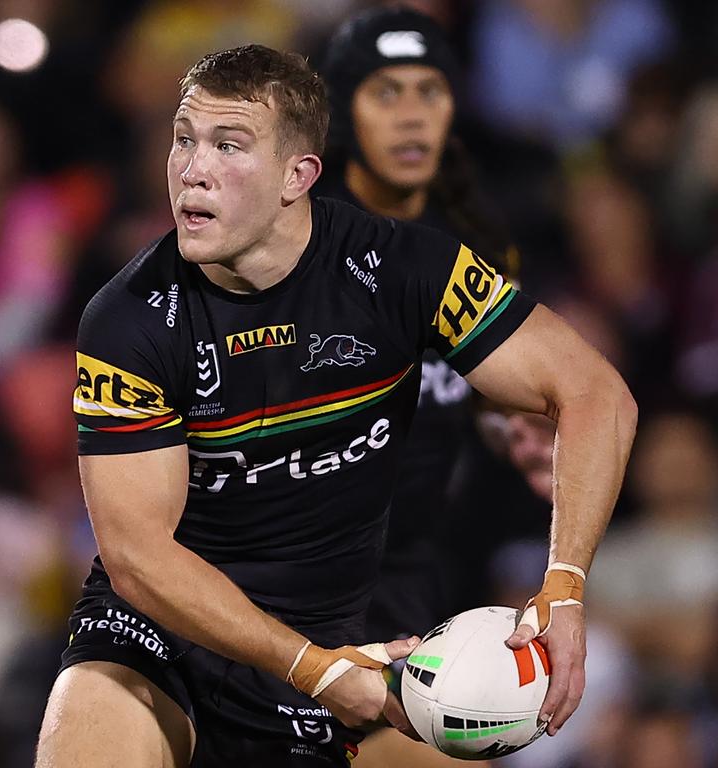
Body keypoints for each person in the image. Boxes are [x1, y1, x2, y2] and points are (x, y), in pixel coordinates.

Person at [37, 45, 637, 768]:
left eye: (228, 145)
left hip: (329, 648)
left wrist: (564, 586)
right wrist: (310, 665)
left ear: (299, 175)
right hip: (161, 637)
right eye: (184, 139)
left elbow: (594, 392)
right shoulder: (128, 320)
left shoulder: (404, 271)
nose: (192, 169)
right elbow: (137, 559)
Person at [318, 10, 553, 765]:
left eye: (430, 90)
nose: (413, 111)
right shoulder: (297, 244)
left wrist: (506, 426)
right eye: (386, 92)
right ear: (343, 111)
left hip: (407, 576)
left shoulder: (480, 241)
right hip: (291, 569)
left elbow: (470, 387)